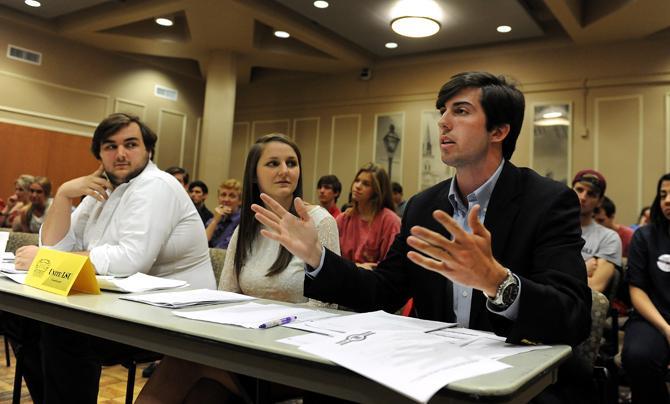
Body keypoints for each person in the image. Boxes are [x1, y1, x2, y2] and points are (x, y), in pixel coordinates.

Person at [253, 71, 592, 402]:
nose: (443, 122)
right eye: (442, 111)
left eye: (460, 111)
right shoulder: (424, 206)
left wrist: (497, 281)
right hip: (434, 371)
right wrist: (317, 257)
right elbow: (384, 291)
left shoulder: (547, 201)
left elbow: (573, 316)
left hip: (518, 375)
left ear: (499, 130)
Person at [13, 112, 215, 404]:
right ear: (100, 155)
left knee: (63, 331)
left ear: (148, 150)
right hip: (119, 306)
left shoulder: (157, 185)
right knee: (27, 322)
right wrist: (64, 195)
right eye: (110, 146)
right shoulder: (102, 187)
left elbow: (130, 260)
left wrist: (48, 260)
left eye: (130, 144)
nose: (120, 153)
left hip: (175, 317)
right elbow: (55, 247)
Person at [136, 133, 340, 403]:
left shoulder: (319, 221)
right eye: (273, 163)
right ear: (254, 175)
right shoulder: (246, 228)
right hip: (246, 347)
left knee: (184, 362)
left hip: (296, 357)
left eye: (291, 163)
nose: (284, 171)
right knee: (201, 393)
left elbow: (328, 308)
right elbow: (227, 297)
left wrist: (268, 327)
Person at [621, 173, 670, 403]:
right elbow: (636, 290)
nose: (667, 200)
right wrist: (666, 329)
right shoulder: (644, 236)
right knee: (638, 356)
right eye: (663, 194)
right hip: (652, 318)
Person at [337, 163, 400, 269]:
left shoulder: (391, 222)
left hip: (375, 282)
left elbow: (392, 266)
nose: (357, 186)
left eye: (366, 184)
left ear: (377, 191)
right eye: (357, 181)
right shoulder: (343, 219)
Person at [572, 169, 622, 292]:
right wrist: (582, 270)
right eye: (579, 190)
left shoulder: (609, 238)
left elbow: (594, 287)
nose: (583, 197)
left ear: (599, 201)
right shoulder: (552, 227)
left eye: (591, 194)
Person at [205, 179, 242, 249]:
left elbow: (225, 249)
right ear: (218, 198)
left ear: (240, 201)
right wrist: (215, 221)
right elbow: (201, 243)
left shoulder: (243, 222)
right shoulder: (213, 219)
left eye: (232, 196)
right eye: (223, 195)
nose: (226, 199)